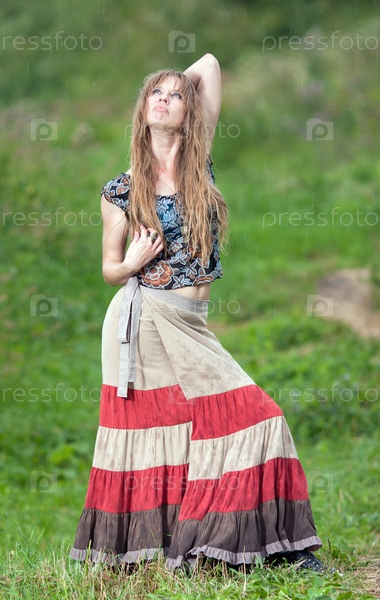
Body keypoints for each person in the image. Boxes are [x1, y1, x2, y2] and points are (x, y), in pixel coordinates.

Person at [70, 53, 325, 573]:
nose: (165, 101)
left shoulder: (197, 159)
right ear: (141, 111)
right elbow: (109, 270)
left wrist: (175, 86)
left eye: (175, 96)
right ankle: (194, 548)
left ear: (189, 110)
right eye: (155, 96)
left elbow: (208, 64)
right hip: (145, 320)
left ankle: (251, 543)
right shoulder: (120, 191)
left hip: (192, 323)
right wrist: (132, 262)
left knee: (249, 416)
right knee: (166, 430)